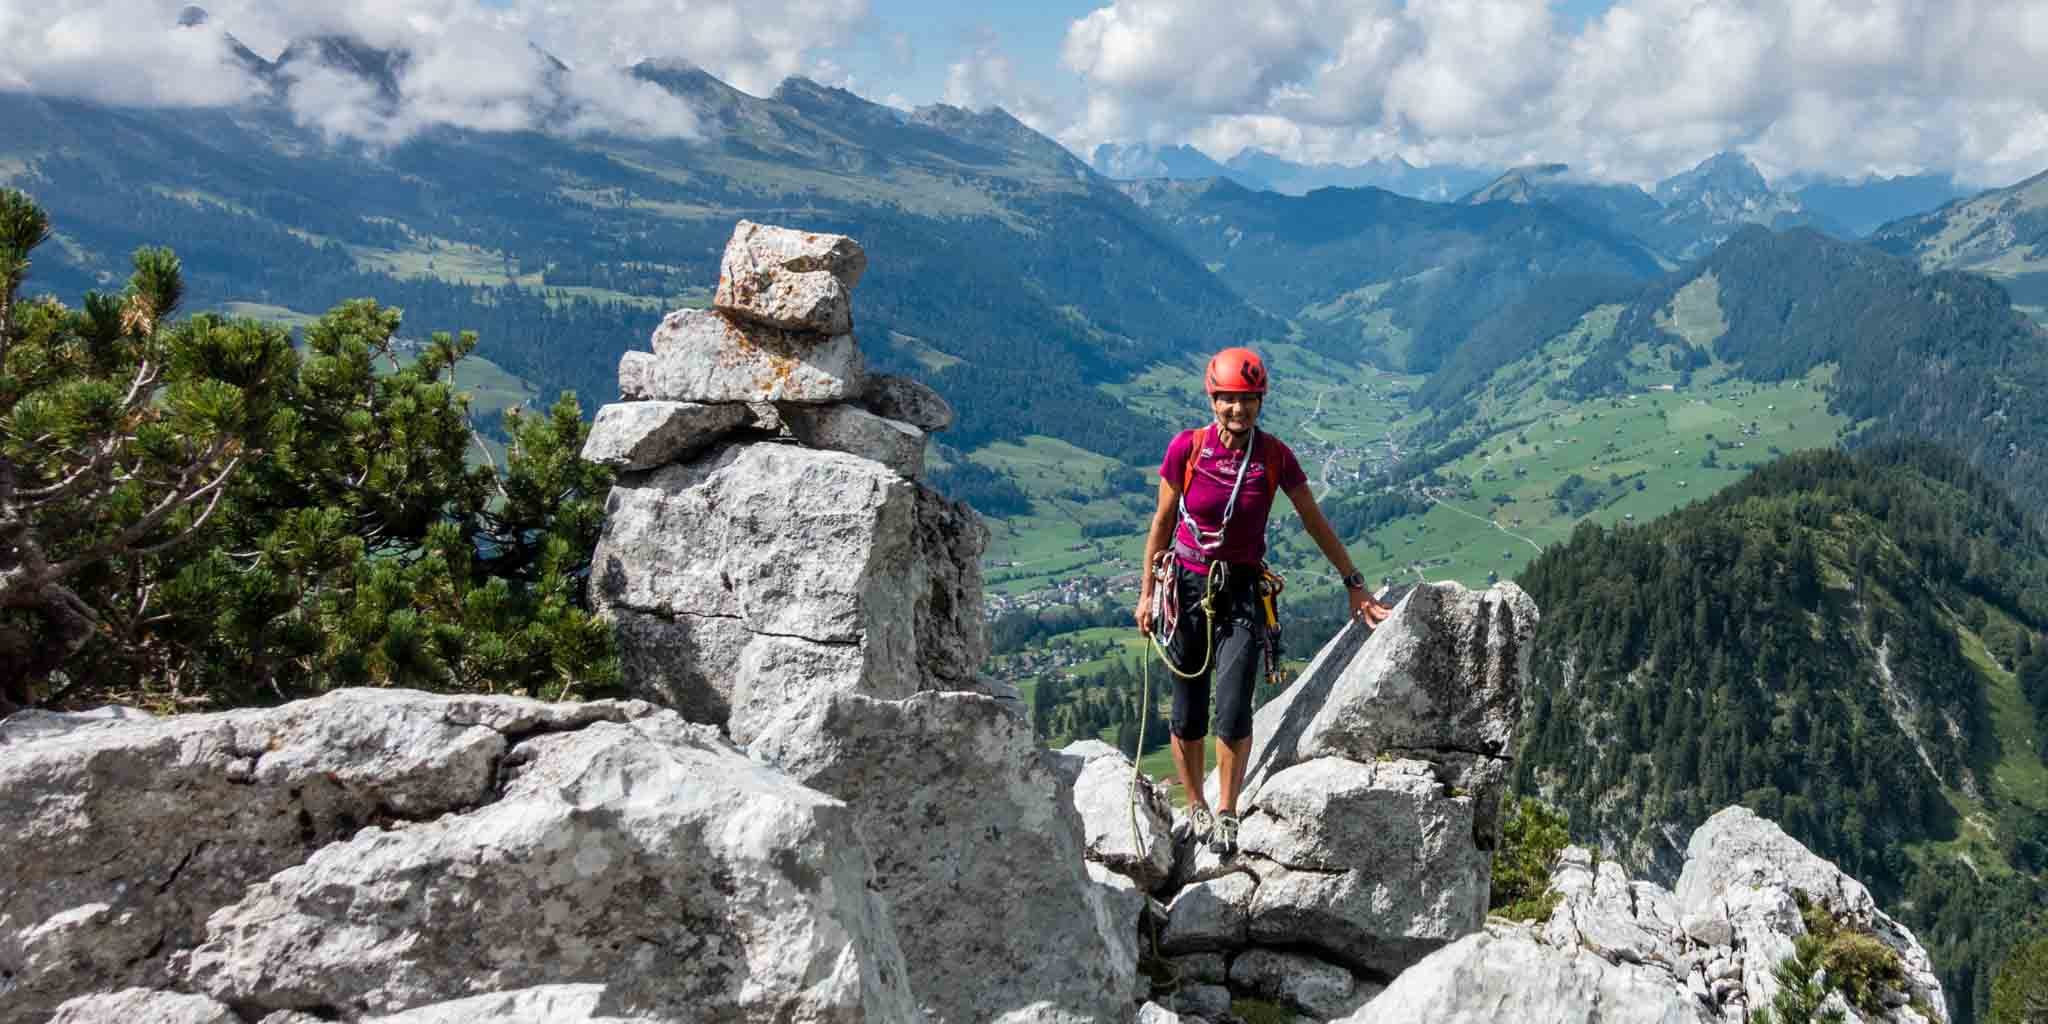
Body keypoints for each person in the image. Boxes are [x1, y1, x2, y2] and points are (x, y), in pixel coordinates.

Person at [1135, 347, 1392, 856]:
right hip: (1184, 586)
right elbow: (1162, 523)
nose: (1239, 410)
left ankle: (1227, 812)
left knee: (1233, 708)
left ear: (1260, 402)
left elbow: (1313, 519)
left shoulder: (1274, 456)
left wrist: (1353, 580)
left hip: (1241, 591)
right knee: (1187, 710)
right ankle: (1197, 808)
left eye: (1249, 400)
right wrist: (1146, 594)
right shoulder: (1186, 449)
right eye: (1230, 400)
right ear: (1213, 399)